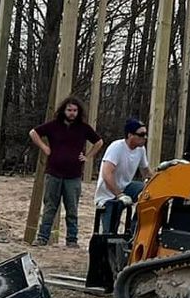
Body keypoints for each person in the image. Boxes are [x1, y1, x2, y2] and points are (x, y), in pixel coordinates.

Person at [28, 95, 100, 247]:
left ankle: (72, 240)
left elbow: (99, 141)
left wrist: (88, 157)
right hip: (54, 172)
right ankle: (42, 238)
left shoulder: (83, 128)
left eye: (75, 110)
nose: (72, 113)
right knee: (50, 207)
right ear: (64, 110)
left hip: (73, 175)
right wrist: (44, 147)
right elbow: (33, 132)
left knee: (72, 209)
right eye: (69, 110)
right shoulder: (54, 125)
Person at [95, 118, 151, 235]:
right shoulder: (116, 147)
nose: (145, 137)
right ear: (130, 135)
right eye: (141, 134)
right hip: (108, 195)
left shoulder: (141, 149)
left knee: (147, 191)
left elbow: (146, 171)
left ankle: (134, 230)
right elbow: (107, 173)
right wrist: (119, 195)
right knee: (109, 232)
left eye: (146, 134)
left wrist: (159, 179)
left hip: (126, 188)